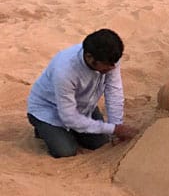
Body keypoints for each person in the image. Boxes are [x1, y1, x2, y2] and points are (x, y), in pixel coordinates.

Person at [27, 28, 139, 158]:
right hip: (50, 110)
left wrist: (116, 126)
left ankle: (70, 131)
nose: (111, 69)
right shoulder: (64, 71)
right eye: (106, 65)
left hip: (82, 105)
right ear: (89, 57)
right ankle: (44, 128)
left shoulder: (110, 58)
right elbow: (69, 117)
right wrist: (114, 129)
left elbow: (114, 90)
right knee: (66, 151)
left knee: (101, 143)